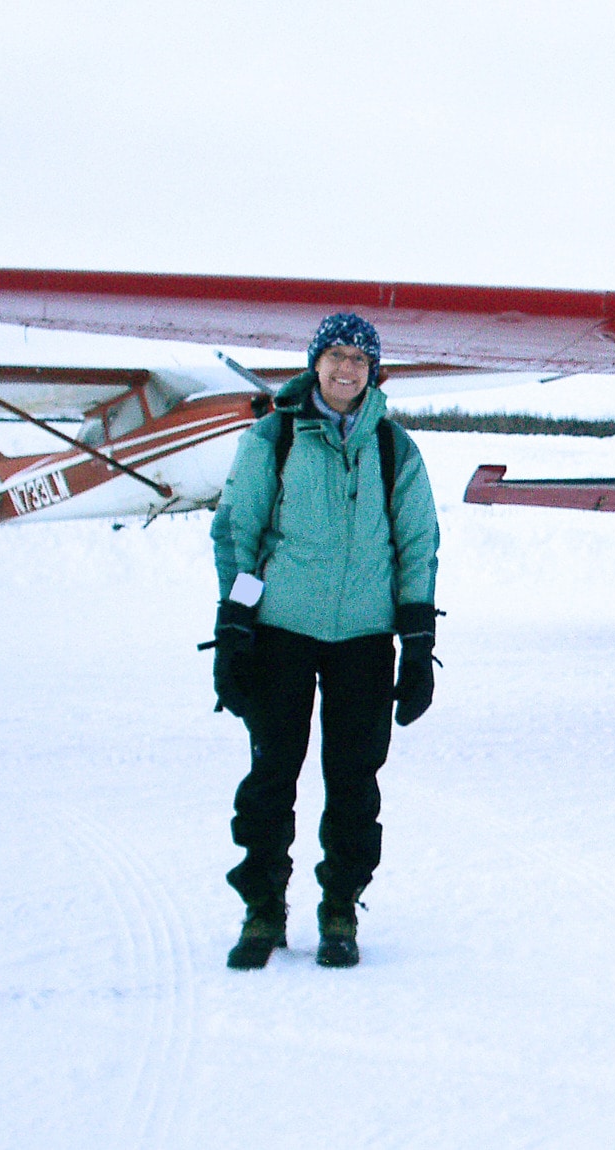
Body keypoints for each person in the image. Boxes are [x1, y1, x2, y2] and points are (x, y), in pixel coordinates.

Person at [208, 312, 440, 970]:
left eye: (358, 360)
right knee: (271, 776)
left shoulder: (394, 448)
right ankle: (262, 909)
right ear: (315, 363)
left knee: (354, 781)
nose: (346, 369)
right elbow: (238, 533)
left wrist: (417, 643)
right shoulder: (273, 438)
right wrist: (233, 627)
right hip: (281, 632)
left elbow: (417, 545)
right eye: (335, 356)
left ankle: (340, 906)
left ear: (374, 371)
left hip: (364, 640)